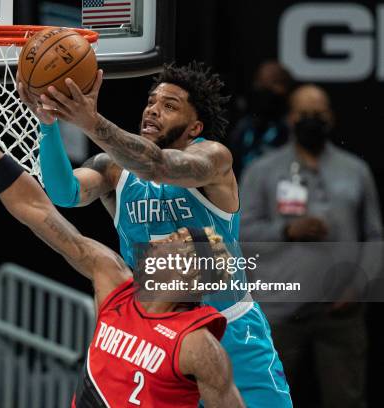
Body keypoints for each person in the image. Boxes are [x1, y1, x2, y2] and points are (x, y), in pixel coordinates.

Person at [0, 95, 245, 407]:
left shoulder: (198, 346)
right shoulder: (114, 283)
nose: (158, 240)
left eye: (175, 239)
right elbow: (36, 209)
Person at [18, 61, 292, 407]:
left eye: (169, 105)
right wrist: (47, 126)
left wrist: (91, 121)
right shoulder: (113, 169)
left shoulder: (213, 159)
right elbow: (64, 193)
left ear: (195, 127)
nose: (153, 110)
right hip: (163, 336)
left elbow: (158, 165)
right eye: (151, 102)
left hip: (232, 330)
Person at [240, 84, 382, 408]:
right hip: (279, 311)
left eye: (318, 114)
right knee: (267, 399)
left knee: (346, 400)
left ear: (330, 118)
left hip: (340, 310)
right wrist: (287, 230)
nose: (311, 120)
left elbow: (375, 237)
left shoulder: (355, 170)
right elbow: (243, 236)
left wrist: (357, 288)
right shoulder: (263, 171)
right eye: (303, 114)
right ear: (290, 118)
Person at [227, 61, 293, 178]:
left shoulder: (291, 128)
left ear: (285, 87)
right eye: (260, 82)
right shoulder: (242, 127)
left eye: (273, 82)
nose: (264, 88)